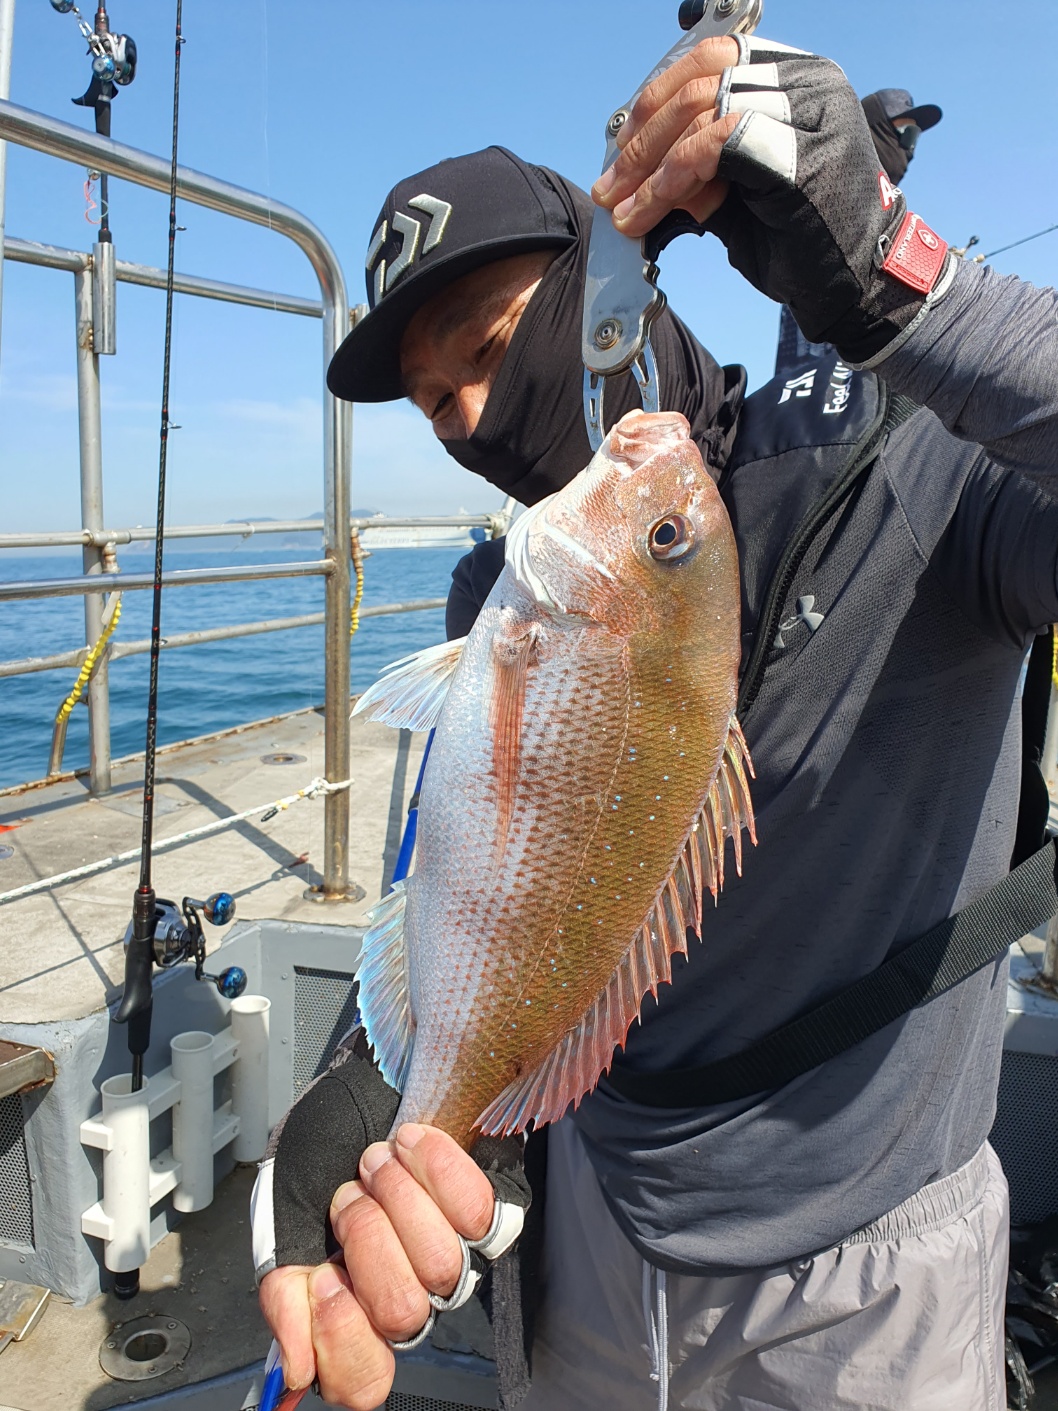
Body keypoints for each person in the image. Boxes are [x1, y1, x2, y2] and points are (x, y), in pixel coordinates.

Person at [253, 32, 1058, 1411]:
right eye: (436, 401)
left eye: (488, 349)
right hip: (587, 1234)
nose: (467, 415)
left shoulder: (918, 470)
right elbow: (460, 887)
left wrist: (896, 276)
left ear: (604, 290)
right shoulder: (497, 591)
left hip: (871, 1274)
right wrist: (374, 1093)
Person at [775, 86, 943, 377]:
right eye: (906, 134)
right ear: (873, 127)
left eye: (915, 139)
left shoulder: (888, 208)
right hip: (821, 368)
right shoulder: (826, 184)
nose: (909, 150)